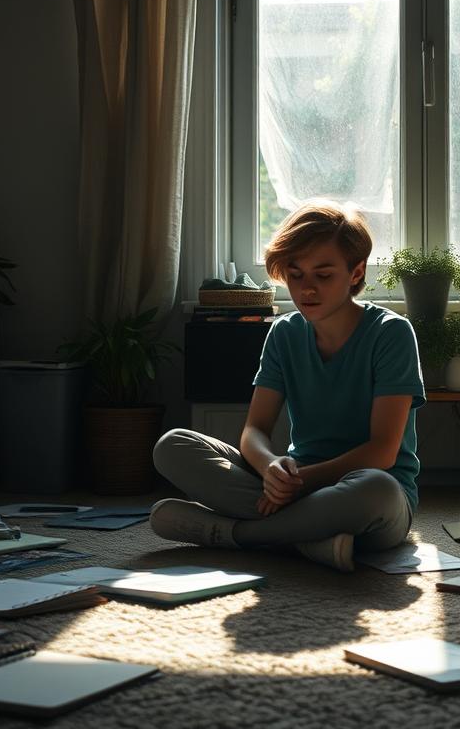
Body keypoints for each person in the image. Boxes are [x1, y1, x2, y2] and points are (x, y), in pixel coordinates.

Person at [150, 200, 425, 571]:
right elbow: (254, 431)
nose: (306, 289)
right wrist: (271, 468)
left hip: (370, 494)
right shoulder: (284, 333)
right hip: (293, 484)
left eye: (323, 275)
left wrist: (301, 482)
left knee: (376, 489)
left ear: (356, 272)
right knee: (173, 446)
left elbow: (383, 452)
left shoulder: (391, 333)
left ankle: (239, 536)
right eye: (296, 275)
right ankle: (308, 540)